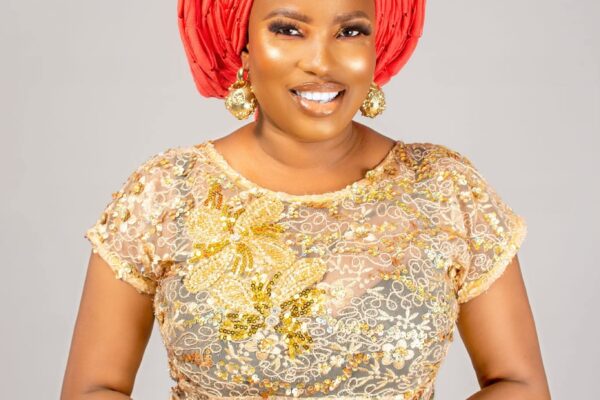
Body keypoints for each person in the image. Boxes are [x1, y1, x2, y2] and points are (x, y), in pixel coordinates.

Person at [61, 1, 551, 399]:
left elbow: (520, 384)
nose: (322, 61)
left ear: (377, 46)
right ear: (243, 45)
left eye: (350, 31)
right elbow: (93, 389)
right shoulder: (167, 192)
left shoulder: (444, 188)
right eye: (289, 30)